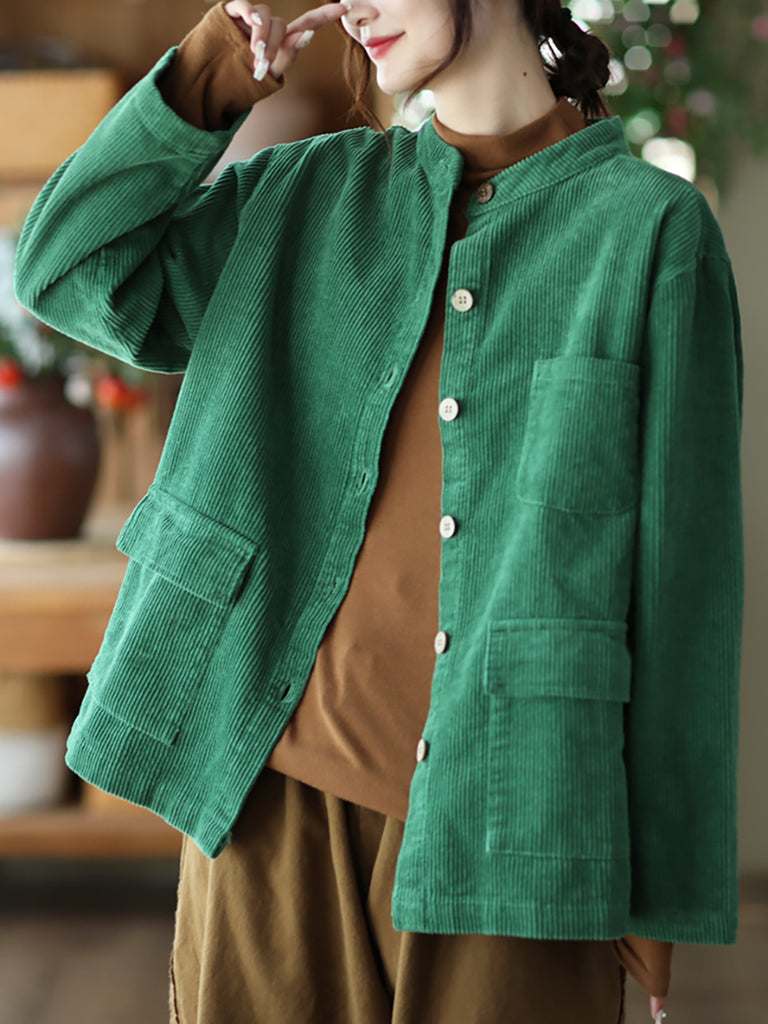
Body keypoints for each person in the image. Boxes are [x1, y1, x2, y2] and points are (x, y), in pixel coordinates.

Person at [13, 1, 743, 1022]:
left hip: (518, 822)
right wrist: (216, 70)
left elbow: (683, 590)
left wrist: (658, 898)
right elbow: (63, 267)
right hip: (263, 804)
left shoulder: (649, 232)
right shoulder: (303, 194)